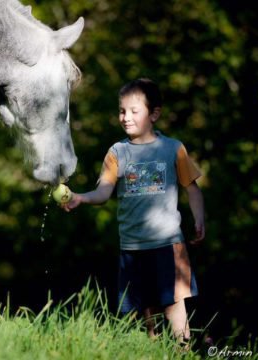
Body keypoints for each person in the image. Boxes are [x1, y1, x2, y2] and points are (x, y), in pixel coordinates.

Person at [61, 78, 205, 345]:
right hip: (133, 246)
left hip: (167, 243)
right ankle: (153, 351)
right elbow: (104, 192)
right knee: (146, 310)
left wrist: (199, 219)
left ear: (154, 114)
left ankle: (183, 350)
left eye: (133, 111)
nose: (125, 117)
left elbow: (192, 188)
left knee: (175, 304)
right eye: (122, 111)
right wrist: (80, 197)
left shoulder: (172, 148)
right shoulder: (117, 152)